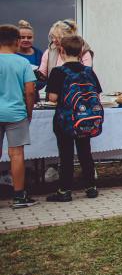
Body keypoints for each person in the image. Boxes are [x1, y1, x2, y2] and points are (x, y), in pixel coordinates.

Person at [44, 35, 102, 202]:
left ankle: (65, 190)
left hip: (65, 120)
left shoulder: (58, 72)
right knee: (85, 152)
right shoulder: (89, 71)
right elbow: (96, 94)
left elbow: (53, 97)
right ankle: (91, 187)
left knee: (66, 155)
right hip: (85, 119)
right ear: (81, 51)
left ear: (61, 50)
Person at [0, 24, 38, 208]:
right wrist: (29, 112)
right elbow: (30, 91)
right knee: (16, 154)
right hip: (16, 113)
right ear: (16, 41)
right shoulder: (22, 62)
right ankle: (19, 196)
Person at [16, 20, 45, 99]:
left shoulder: (39, 54)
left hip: (33, 97)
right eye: (22, 37)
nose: (26, 40)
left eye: (29, 37)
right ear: (16, 39)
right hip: (14, 96)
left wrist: (33, 85)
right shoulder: (11, 54)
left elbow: (44, 79)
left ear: (33, 38)